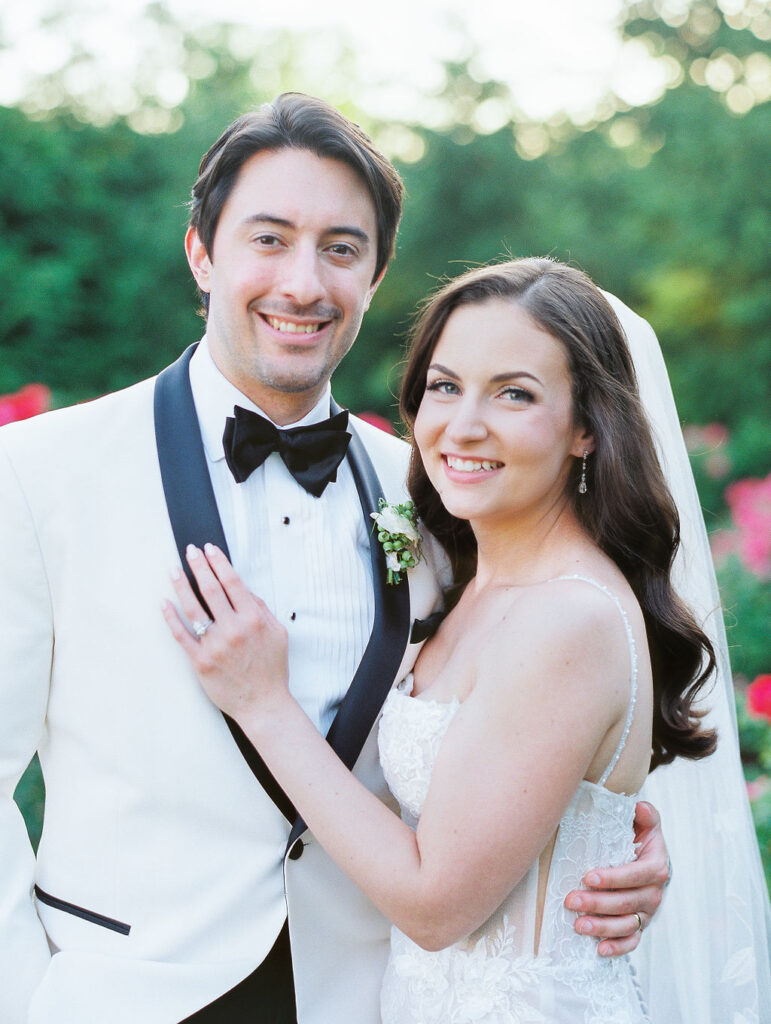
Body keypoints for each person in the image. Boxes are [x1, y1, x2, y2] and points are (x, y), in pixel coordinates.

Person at [0, 94, 718, 1024]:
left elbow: (515, 732)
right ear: (201, 253)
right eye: (268, 239)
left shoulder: (440, 496)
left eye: (340, 248)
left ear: (375, 275)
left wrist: (605, 847)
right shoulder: (40, 472)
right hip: (122, 995)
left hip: (369, 993)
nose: (303, 282)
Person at [162, 256, 718, 1022]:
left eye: (514, 394)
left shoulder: (568, 617)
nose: (461, 426)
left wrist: (263, 703)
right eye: (445, 386)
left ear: (587, 429)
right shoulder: (459, 570)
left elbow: (434, 906)